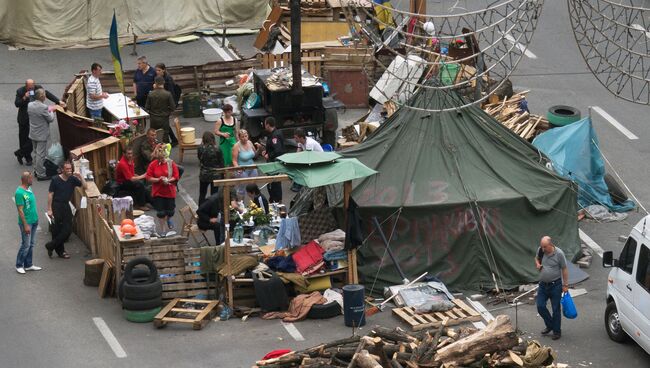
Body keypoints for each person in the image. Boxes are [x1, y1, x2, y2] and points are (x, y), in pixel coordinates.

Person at [14, 79, 65, 166]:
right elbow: (17, 104)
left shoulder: (37, 88)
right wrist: (24, 97)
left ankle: (21, 153)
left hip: (34, 117)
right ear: (26, 86)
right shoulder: (20, 91)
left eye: (32, 86)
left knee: (31, 139)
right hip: (24, 118)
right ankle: (27, 157)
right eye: (29, 88)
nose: (31, 89)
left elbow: (47, 94)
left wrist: (58, 101)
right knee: (23, 139)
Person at [46, 162, 87, 259]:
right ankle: (61, 252)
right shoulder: (55, 179)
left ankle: (50, 245)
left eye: (70, 169)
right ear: (62, 170)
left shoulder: (72, 179)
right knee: (57, 229)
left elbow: (85, 186)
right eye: (67, 169)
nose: (69, 171)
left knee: (67, 230)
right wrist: (49, 209)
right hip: (56, 205)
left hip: (66, 205)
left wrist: (80, 176)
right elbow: (50, 194)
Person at [535, 236, 569, 340]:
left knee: (556, 309)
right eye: (542, 247)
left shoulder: (559, 254)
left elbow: (564, 269)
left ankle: (557, 331)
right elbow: (536, 257)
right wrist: (537, 264)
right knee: (540, 306)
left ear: (551, 245)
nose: (543, 249)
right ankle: (550, 325)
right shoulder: (541, 250)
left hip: (555, 285)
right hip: (543, 285)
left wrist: (565, 285)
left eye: (545, 247)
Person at [146, 144, 180, 236]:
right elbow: (148, 177)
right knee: (160, 213)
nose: (161, 161)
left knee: (170, 211)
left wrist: (168, 180)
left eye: (162, 159)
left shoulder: (171, 163)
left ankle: (169, 218)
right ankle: (163, 231)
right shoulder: (153, 164)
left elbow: (176, 176)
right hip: (158, 192)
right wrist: (158, 179)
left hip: (169, 191)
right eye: (159, 159)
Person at [15, 172, 42, 274]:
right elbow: (20, 210)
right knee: (25, 245)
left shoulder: (29, 189)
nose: (33, 180)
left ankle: (28, 264)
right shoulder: (19, 193)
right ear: (26, 180)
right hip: (27, 223)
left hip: (34, 220)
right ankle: (19, 265)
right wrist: (26, 225)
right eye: (31, 178)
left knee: (31, 244)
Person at [28, 89, 56, 181]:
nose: (45, 96)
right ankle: (41, 174)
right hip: (41, 135)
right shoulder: (43, 107)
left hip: (33, 133)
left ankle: (36, 170)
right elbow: (50, 119)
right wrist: (51, 110)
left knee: (36, 152)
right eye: (44, 95)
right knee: (41, 155)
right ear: (42, 97)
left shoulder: (30, 104)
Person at [259, 117, 285, 203]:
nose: (264, 126)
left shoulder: (275, 135)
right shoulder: (273, 133)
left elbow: (278, 150)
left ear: (268, 124)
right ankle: (274, 199)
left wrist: (269, 155)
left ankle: (278, 201)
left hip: (274, 163)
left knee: (275, 183)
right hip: (272, 162)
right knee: (271, 183)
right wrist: (265, 152)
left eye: (265, 124)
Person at [145, 76, 176, 144]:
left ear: (155, 83)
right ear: (163, 82)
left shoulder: (151, 94)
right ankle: (165, 152)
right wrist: (167, 111)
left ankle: (155, 150)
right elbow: (173, 107)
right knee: (165, 137)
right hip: (164, 119)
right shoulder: (167, 94)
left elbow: (147, 107)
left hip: (153, 119)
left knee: (154, 136)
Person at [155, 63, 180, 145]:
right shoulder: (160, 78)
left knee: (164, 123)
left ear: (164, 70)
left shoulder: (168, 79)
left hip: (168, 104)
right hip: (164, 104)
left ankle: (172, 140)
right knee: (164, 123)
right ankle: (173, 140)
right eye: (156, 70)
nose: (157, 72)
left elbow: (171, 94)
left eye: (159, 70)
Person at [197, 131, 224, 205]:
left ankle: (201, 210)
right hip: (215, 174)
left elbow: (199, 158)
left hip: (204, 174)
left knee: (202, 194)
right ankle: (213, 211)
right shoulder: (217, 149)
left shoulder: (200, 148)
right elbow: (221, 162)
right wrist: (223, 175)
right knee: (214, 195)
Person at [232, 129, 258, 199]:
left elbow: (255, 154)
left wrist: (259, 149)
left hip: (252, 167)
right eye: (242, 137)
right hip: (242, 169)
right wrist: (237, 168)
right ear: (239, 138)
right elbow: (234, 160)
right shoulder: (236, 146)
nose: (244, 138)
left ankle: (255, 205)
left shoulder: (250, 142)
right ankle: (241, 204)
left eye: (246, 136)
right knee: (242, 188)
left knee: (253, 187)